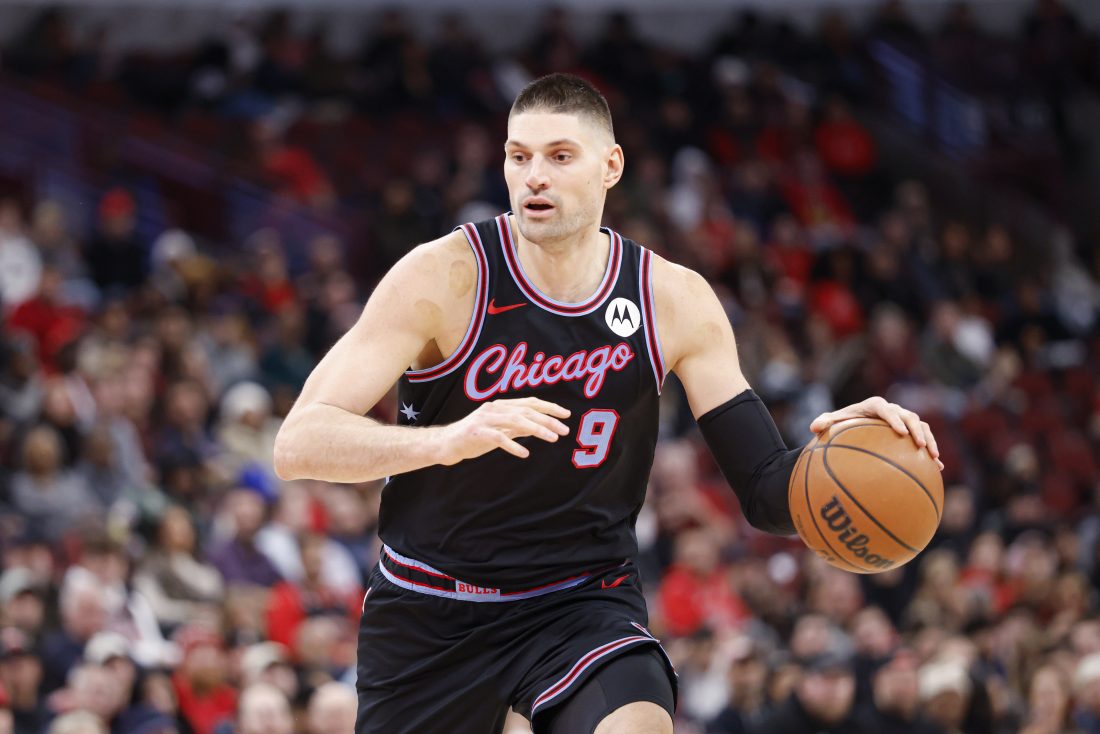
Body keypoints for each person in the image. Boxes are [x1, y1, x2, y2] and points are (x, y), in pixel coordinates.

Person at [274, 73, 942, 734]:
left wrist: (834, 448)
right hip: (431, 608)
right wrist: (443, 442)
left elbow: (767, 492)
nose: (534, 175)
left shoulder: (672, 301)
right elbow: (299, 443)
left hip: (582, 602)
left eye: (560, 156)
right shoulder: (444, 277)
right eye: (519, 156)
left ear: (610, 166)